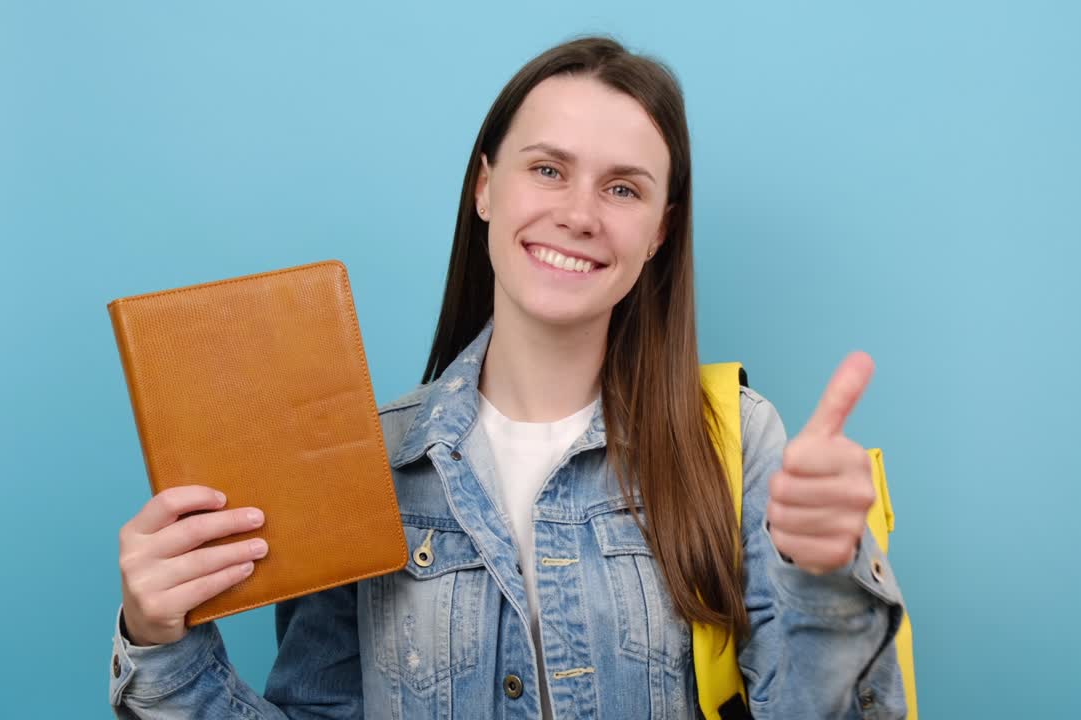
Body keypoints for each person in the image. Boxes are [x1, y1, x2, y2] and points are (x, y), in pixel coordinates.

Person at [108, 36, 906, 719]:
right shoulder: (365, 464)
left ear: (660, 231)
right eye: (549, 170)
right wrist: (160, 645)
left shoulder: (737, 441)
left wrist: (825, 580)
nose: (581, 213)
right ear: (485, 187)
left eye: (623, 187)